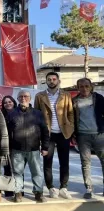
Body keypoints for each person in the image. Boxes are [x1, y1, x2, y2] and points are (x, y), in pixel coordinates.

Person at [34, 72, 74, 200]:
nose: (51, 81)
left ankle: (63, 187)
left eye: (54, 79)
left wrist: (71, 127)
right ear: (46, 81)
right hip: (48, 135)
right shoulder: (40, 96)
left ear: (58, 81)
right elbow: (36, 115)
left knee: (64, 162)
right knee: (47, 162)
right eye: (49, 79)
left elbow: (71, 113)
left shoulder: (66, 95)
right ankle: (51, 187)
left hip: (64, 133)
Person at [7, 90, 49, 203]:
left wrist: (45, 147)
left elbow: (45, 131)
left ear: (30, 98)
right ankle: (18, 193)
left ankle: (38, 193)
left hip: (34, 148)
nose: (23, 98)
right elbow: (7, 133)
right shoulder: (12, 113)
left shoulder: (38, 113)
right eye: (20, 96)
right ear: (17, 98)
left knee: (36, 172)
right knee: (17, 173)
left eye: (26, 96)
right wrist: (8, 148)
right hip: (17, 149)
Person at [72, 78, 104, 199]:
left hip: (99, 135)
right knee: (85, 163)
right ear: (78, 88)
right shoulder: (74, 101)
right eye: (81, 86)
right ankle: (89, 188)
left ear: (91, 87)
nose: (84, 88)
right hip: (82, 136)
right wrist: (74, 134)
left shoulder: (98, 98)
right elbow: (73, 118)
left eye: (86, 86)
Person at [0, 95, 18, 198]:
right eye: (5, 102)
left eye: (9, 102)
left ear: (13, 102)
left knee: (18, 169)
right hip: (6, 146)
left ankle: (19, 190)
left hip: (18, 146)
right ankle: (8, 192)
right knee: (7, 169)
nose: (8, 104)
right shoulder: (1, 115)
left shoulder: (19, 113)